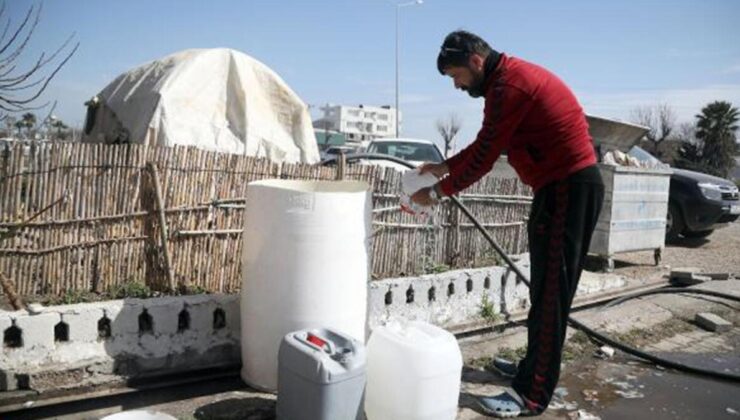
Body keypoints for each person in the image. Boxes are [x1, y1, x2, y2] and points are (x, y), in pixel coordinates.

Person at [411, 30, 605, 417]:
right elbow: (487, 143)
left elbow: (484, 158)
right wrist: (444, 166)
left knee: (551, 297)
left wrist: (435, 192)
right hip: (559, 188)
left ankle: (531, 396)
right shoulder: (505, 82)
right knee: (545, 292)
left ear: (476, 62)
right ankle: (531, 371)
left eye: (457, 75)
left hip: (569, 187)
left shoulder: (509, 87)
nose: (457, 85)